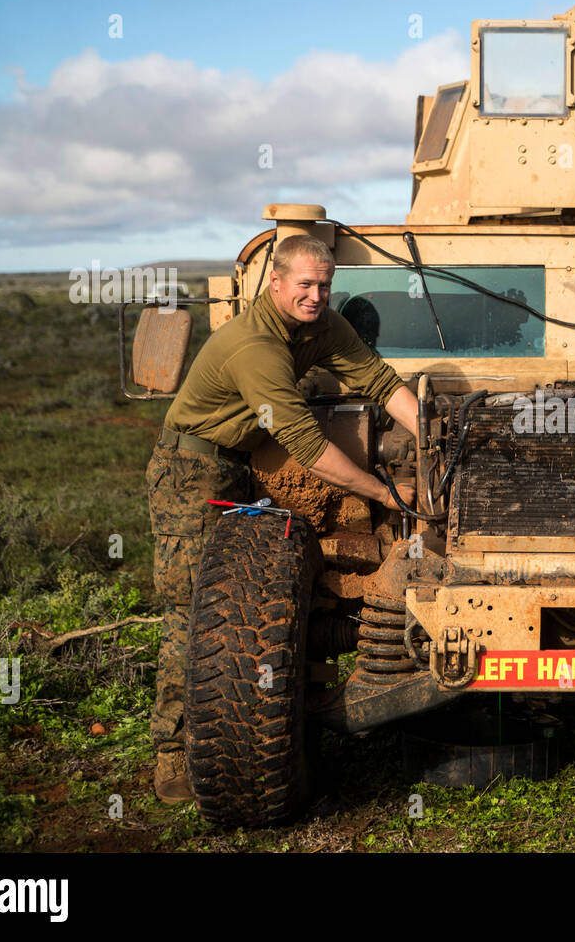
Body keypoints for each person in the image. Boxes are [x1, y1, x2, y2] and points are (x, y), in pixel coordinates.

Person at [146, 234, 418, 803]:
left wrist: (435, 438)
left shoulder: (321, 326)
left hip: (245, 466)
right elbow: (306, 446)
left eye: (324, 285)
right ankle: (173, 755)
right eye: (305, 285)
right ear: (275, 283)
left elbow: (379, 380)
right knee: (197, 611)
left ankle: (261, 728)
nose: (316, 295)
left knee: (259, 601)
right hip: (193, 471)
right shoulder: (255, 347)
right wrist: (383, 493)